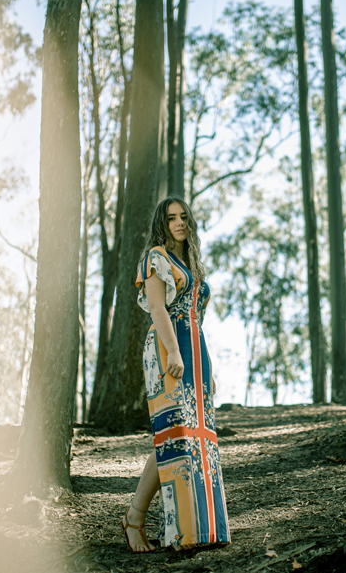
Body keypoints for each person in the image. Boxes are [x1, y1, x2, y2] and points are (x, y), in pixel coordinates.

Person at [120, 196, 231, 553]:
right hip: (169, 351)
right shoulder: (156, 258)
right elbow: (156, 307)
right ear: (162, 224)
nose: (179, 223)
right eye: (171, 218)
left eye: (184, 217)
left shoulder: (191, 264)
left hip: (195, 352)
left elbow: (196, 321)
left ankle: (200, 528)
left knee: (196, 439)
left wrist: (206, 367)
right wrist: (174, 352)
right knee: (172, 436)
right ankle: (135, 520)